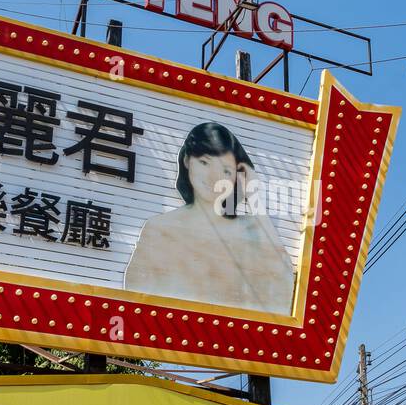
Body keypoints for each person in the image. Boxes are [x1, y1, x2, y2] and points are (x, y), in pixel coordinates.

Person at [125, 122, 296, 314]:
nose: (214, 177)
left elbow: (284, 287)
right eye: (205, 162)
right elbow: (135, 297)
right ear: (188, 160)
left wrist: (254, 197)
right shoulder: (159, 228)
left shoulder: (252, 230)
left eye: (226, 171)